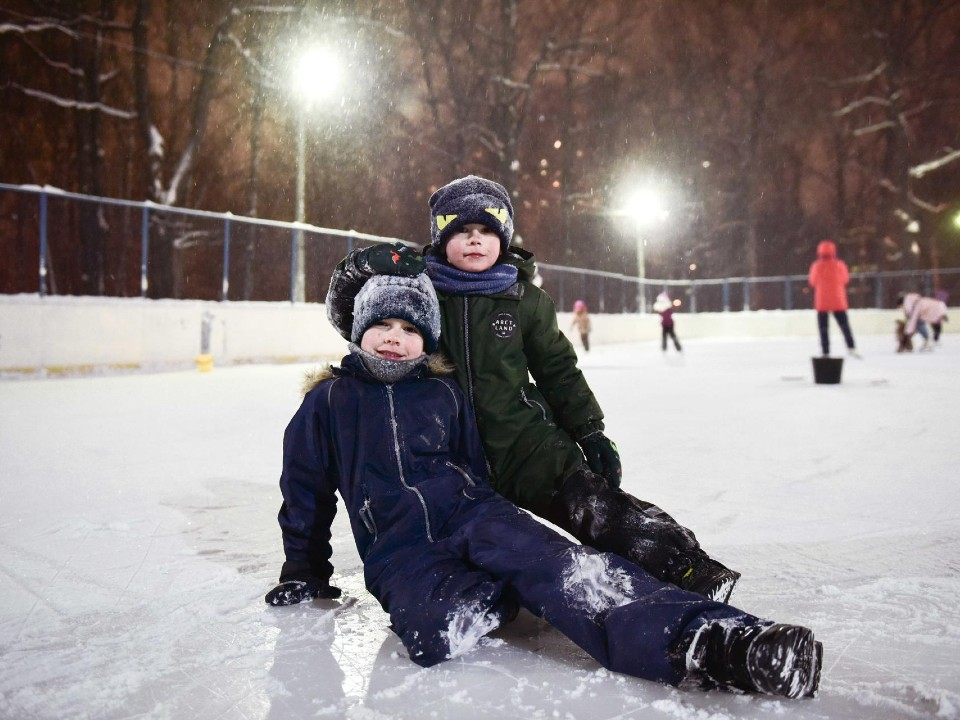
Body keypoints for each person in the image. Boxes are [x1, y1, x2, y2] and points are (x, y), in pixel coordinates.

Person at [266, 271, 822, 698]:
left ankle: (718, 642)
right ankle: (503, 593)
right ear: (360, 331)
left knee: (571, 570)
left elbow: (472, 461)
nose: (395, 338)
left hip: (473, 514)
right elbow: (305, 492)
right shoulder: (328, 402)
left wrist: (503, 527)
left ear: (426, 341)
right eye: (382, 325)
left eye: (410, 329)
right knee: (436, 632)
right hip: (400, 547)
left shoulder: (444, 392)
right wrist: (305, 569)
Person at [325, 175, 740, 604]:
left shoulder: (525, 299)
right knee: (486, 539)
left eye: (487, 231)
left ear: (503, 238)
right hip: (452, 454)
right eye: (462, 231)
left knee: (596, 507)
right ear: (440, 237)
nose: (475, 240)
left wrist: (589, 430)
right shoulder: (419, 292)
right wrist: (359, 267)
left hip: (527, 445)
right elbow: (353, 318)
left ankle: (685, 566)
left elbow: (558, 369)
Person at [807, 240, 859, 358]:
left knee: (823, 328)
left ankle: (826, 350)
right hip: (838, 300)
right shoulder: (839, 265)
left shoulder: (816, 266)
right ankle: (851, 346)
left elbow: (812, 281)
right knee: (844, 325)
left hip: (822, 301)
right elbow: (846, 279)